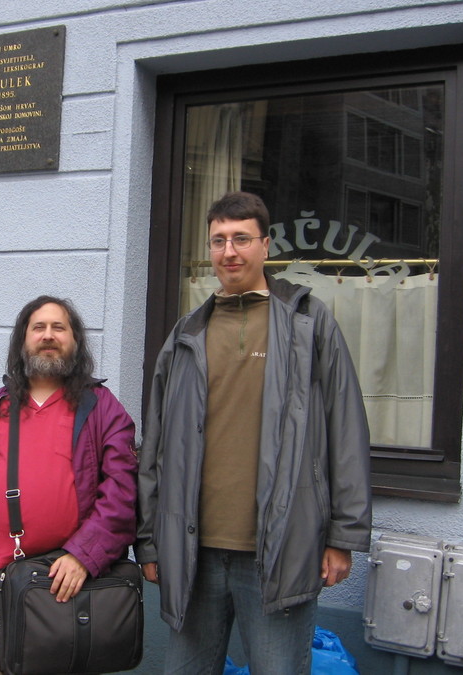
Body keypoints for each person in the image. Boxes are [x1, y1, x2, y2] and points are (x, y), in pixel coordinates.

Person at [135, 191, 372, 674]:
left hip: (279, 551)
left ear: (265, 245)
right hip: (193, 554)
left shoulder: (308, 323)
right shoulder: (186, 334)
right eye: (218, 240)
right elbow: (155, 445)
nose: (229, 251)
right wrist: (150, 540)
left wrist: (343, 536)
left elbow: (346, 430)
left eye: (241, 239)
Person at [0, 295, 138, 672]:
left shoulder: (102, 407)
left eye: (58, 328)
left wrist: (84, 555)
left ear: (75, 340)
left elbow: (122, 492)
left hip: (65, 579)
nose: (48, 335)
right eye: (38, 327)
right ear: (23, 340)